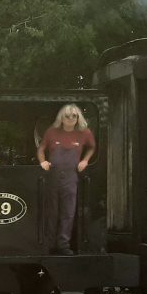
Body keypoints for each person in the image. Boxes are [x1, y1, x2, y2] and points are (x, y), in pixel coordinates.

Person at [37, 104, 95, 255]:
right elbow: (41, 148)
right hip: (53, 176)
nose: (70, 119)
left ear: (78, 117)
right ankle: (48, 244)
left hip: (71, 177)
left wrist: (85, 161)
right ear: (61, 118)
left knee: (68, 212)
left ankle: (63, 245)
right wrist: (43, 161)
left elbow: (91, 147)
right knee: (51, 211)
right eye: (67, 116)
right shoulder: (52, 132)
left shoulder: (84, 133)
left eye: (74, 116)